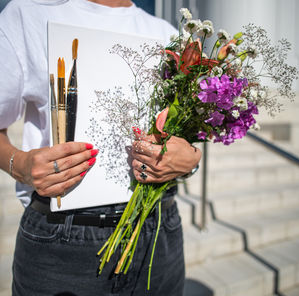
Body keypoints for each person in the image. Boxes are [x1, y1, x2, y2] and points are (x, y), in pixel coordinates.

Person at [0, 0, 201, 295]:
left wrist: (191, 159)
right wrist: (20, 165)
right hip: (63, 242)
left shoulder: (165, 33)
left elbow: (183, 140)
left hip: (158, 232)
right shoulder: (26, 14)